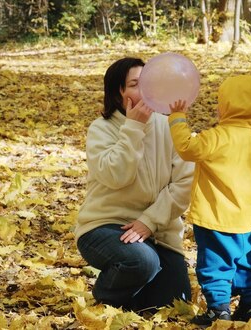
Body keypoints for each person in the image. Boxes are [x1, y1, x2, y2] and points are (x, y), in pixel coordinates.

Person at [75, 57, 195, 312]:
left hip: (158, 233)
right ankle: (104, 297)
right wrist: (134, 127)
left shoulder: (171, 127)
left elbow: (186, 183)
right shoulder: (101, 129)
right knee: (141, 261)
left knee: (174, 305)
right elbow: (116, 175)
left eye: (149, 83)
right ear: (118, 92)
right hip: (105, 226)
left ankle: (128, 298)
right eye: (135, 84)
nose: (145, 90)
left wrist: (149, 222)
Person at [168, 75, 251, 325]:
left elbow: (187, 147)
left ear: (227, 107)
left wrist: (177, 118)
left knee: (215, 265)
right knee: (245, 262)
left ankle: (218, 309)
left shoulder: (217, 137)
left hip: (215, 217)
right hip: (244, 219)